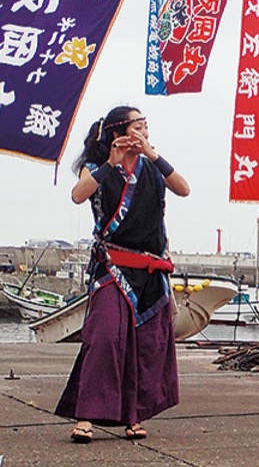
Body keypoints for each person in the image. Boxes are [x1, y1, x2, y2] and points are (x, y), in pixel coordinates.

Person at [56, 106, 190, 443]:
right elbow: (78, 195)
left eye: (146, 127)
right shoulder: (99, 168)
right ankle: (86, 416)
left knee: (145, 346)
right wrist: (111, 162)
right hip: (112, 269)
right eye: (138, 127)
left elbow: (183, 189)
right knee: (103, 337)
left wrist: (152, 154)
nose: (144, 132)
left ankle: (134, 416)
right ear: (119, 133)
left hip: (150, 269)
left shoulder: (153, 168)